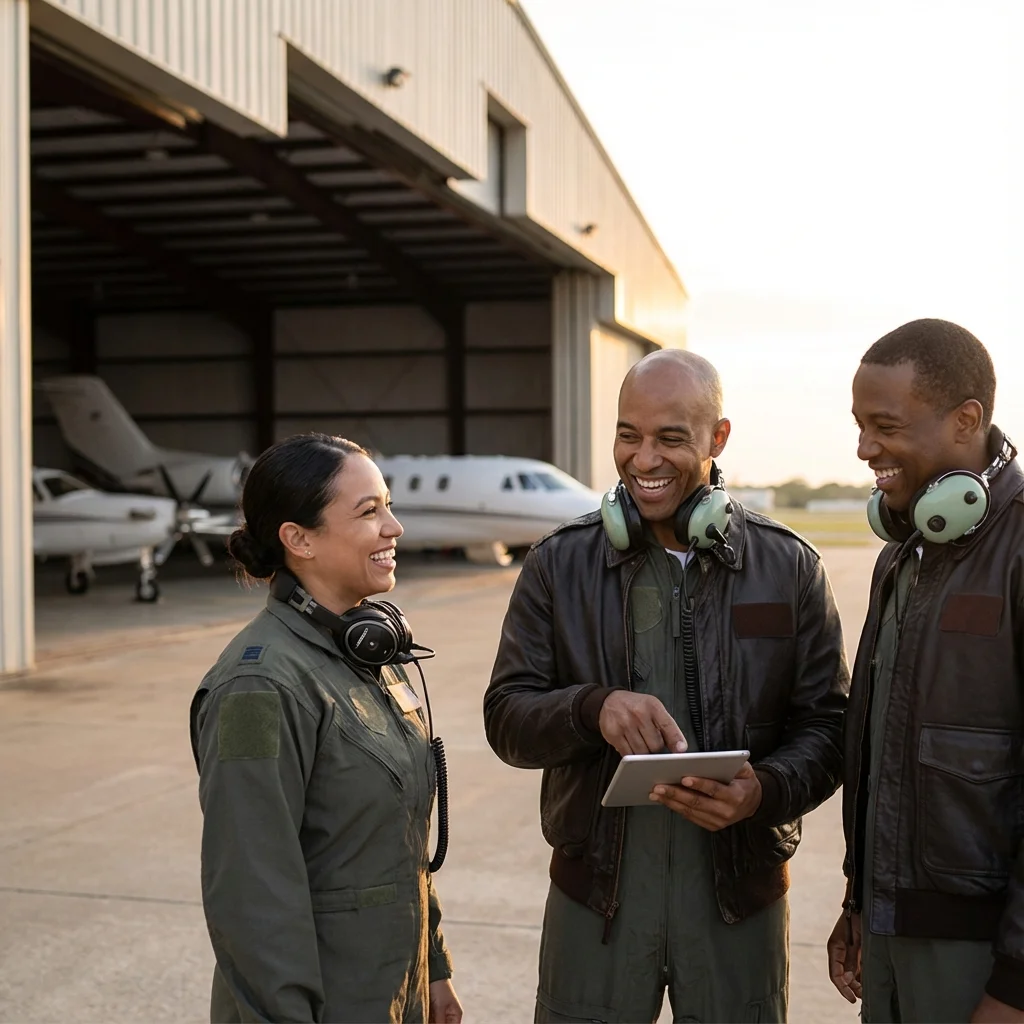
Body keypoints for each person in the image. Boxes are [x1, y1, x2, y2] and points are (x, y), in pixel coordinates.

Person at [484, 349, 849, 1023]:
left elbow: (830, 727)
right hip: (596, 902)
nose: (643, 459)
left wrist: (764, 792)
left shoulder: (789, 566)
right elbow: (506, 718)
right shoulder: (558, 564)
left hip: (738, 904)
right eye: (629, 434)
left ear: (718, 439)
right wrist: (589, 709)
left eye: (670, 439)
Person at [189, 433, 462, 1024]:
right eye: (369, 512)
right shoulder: (257, 689)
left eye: (388, 505)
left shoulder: (366, 655)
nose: (394, 528)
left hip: (392, 991)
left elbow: (393, 841)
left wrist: (432, 971)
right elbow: (250, 891)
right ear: (299, 539)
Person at [828, 319, 1024, 1024]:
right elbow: (880, 755)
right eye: (859, 425)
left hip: (986, 961)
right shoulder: (902, 555)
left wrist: (1016, 984)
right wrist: (859, 902)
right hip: (888, 937)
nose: (864, 448)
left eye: (885, 425)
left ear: (966, 420)